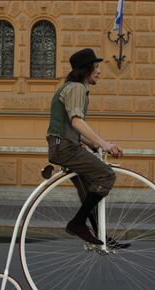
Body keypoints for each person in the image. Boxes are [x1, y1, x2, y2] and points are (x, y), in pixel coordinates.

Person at [46, 48, 123, 245]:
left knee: (88, 188)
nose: (99, 72)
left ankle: (100, 235)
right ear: (86, 70)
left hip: (62, 145)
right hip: (66, 147)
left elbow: (75, 130)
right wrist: (104, 144)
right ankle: (78, 223)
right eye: (96, 67)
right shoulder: (77, 88)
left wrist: (95, 146)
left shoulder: (70, 88)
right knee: (106, 175)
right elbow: (76, 122)